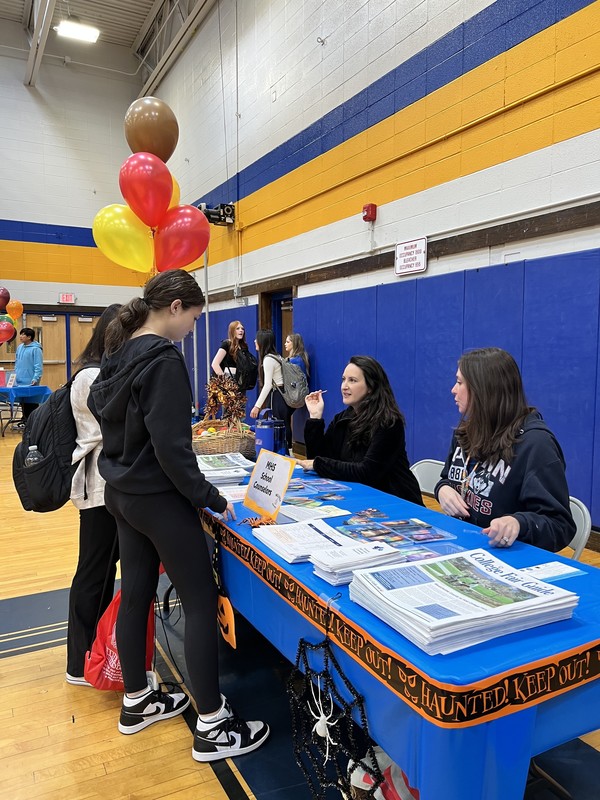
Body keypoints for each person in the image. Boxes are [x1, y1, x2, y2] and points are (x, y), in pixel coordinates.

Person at [88, 270, 269, 762]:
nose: (192, 328)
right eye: (192, 317)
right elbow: (173, 448)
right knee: (199, 596)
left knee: (136, 593)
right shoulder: (164, 360)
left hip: (122, 492)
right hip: (159, 498)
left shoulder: (119, 352)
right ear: (173, 306)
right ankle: (212, 724)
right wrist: (209, 496)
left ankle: (137, 700)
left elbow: (101, 407)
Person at [434, 347, 575, 552]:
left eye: (459, 382)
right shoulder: (466, 432)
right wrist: (442, 490)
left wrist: (518, 523)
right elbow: (449, 478)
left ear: (483, 389)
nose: (453, 390)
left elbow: (560, 526)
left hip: (507, 556)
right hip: (463, 545)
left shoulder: (536, 445)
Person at [66, 304, 121, 686]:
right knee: (93, 573)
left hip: (105, 486)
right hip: (99, 487)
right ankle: (80, 659)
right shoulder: (93, 376)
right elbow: (116, 427)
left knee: (102, 571)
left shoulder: (96, 372)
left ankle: (93, 652)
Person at [298, 355, 423, 505]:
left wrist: (319, 464)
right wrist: (315, 418)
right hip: (358, 498)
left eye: (352, 380)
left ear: (371, 387)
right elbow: (318, 458)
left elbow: (367, 473)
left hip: (396, 502)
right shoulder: (342, 419)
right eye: (343, 379)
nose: (344, 386)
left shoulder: (389, 422)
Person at [250, 328, 294, 449]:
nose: (255, 341)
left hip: (277, 396)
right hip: (284, 394)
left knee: (280, 425)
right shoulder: (277, 356)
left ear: (263, 341)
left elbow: (268, 385)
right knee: (284, 424)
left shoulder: (268, 359)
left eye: (257, 339)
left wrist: (257, 406)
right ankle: (287, 451)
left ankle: (284, 452)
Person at [14, 327, 43, 424]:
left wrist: (36, 377)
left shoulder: (36, 349)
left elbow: (38, 365)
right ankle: (24, 420)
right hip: (19, 379)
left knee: (31, 402)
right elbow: (17, 362)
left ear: (29, 337)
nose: (21, 336)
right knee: (23, 402)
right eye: (20, 334)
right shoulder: (19, 347)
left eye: (23, 335)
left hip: (30, 380)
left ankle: (33, 422)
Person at [211, 320, 250, 388]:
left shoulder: (243, 346)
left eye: (242, 329)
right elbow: (215, 364)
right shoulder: (226, 344)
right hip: (227, 381)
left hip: (239, 381)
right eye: (237, 328)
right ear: (232, 331)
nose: (241, 330)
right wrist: (225, 382)